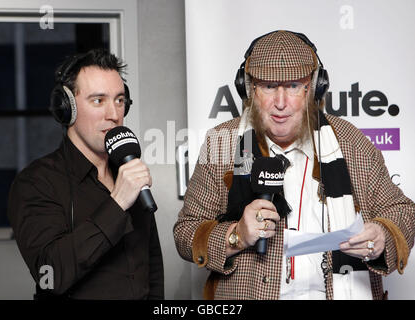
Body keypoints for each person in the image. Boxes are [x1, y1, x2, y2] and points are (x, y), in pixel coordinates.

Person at [173, 30, 415, 300]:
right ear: (249, 88)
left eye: (292, 86)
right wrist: (236, 235)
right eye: (268, 86)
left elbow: (403, 211)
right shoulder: (221, 143)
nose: (280, 103)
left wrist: (381, 236)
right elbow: (186, 233)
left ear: (313, 87)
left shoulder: (350, 142)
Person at [8, 49, 164, 300]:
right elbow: (52, 275)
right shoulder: (36, 182)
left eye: (119, 100)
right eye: (98, 100)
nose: (113, 114)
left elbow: (152, 269)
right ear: (66, 108)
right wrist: (117, 203)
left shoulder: (128, 172)